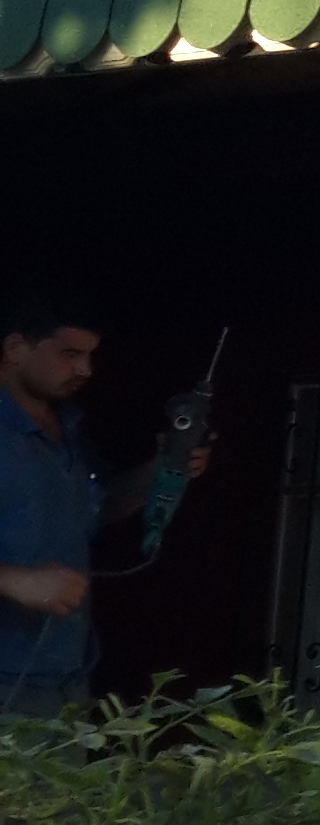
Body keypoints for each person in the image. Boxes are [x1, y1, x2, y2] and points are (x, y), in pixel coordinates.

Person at [1, 295, 167, 717]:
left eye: (89, 356)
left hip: (68, 674)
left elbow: (101, 508)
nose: (84, 370)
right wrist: (14, 580)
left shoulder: (69, 429)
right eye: (69, 354)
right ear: (16, 348)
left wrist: (163, 468)